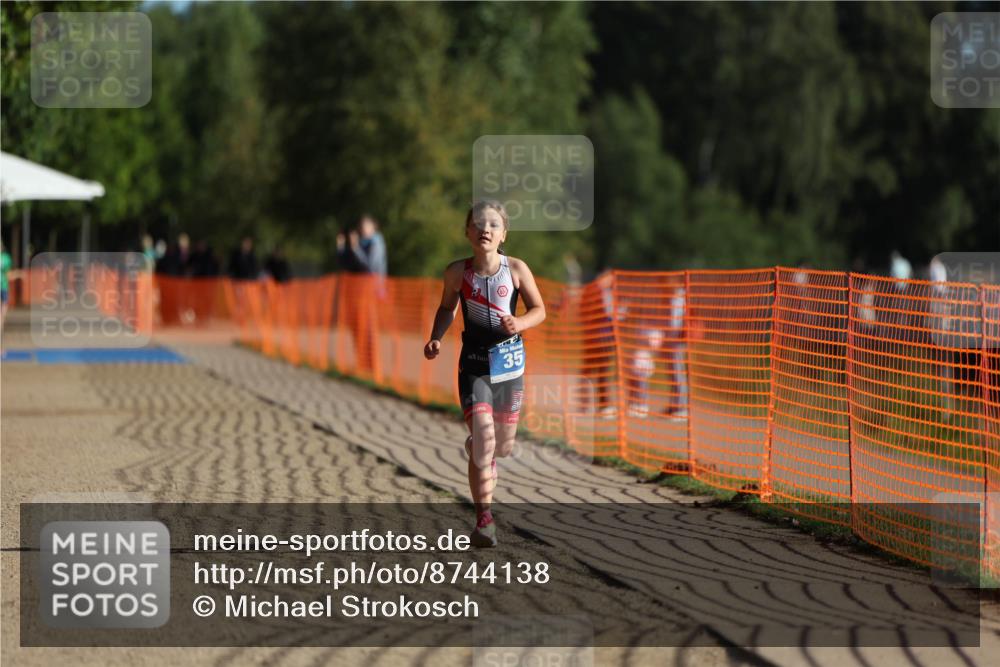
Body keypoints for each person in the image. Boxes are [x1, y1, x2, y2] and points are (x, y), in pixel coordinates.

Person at [423, 200, 546, 548]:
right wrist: (436, 337)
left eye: (493, 225)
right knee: (485, 442)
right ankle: (484, 521)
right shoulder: (456, 273)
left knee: (502, 447)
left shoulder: (517, 269)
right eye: (477, 224)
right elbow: (447, 307)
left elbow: (540, 309)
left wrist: (519, 322)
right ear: (467, 232)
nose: (485, 230)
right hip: (474, 366)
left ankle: (480, 446)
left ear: (504, 233)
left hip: (509, 367)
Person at [1, 240, 11, 329]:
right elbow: (8, 273)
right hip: (3, 284)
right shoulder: (6, 258)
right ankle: (1, 320)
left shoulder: (6, 258)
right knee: (4, 304)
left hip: (4, 284)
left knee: (4, 303)